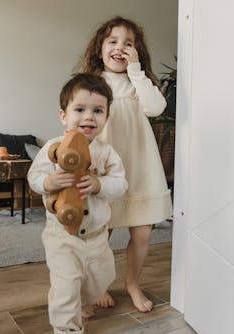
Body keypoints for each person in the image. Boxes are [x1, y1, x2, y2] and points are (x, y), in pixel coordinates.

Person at [78, 16, 173, 313]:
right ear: (100, 49)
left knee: (142, 231)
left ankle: (133, 283)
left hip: (140, 166)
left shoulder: (137, 83)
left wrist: (136, 71)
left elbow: (156, 107)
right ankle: (97, 285)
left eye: (128, 44)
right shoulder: (93, 84)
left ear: (137, 51)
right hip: (104, 169)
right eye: (113, 41)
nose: (120, 48)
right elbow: (80, 120)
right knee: (100, 231)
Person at [28, 73, 128, 334]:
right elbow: (34, 178)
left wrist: (99, 185)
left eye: (98, 110)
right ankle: (67, 328)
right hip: (62, 236)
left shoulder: (106, 152)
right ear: (64, 116)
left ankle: (87, 298)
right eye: (80, 109)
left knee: (102, 278)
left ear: (106, 117)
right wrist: (49, 182)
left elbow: (120, 183)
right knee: (66, 286)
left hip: (97, 236)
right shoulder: (53, 148)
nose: (88, 117)